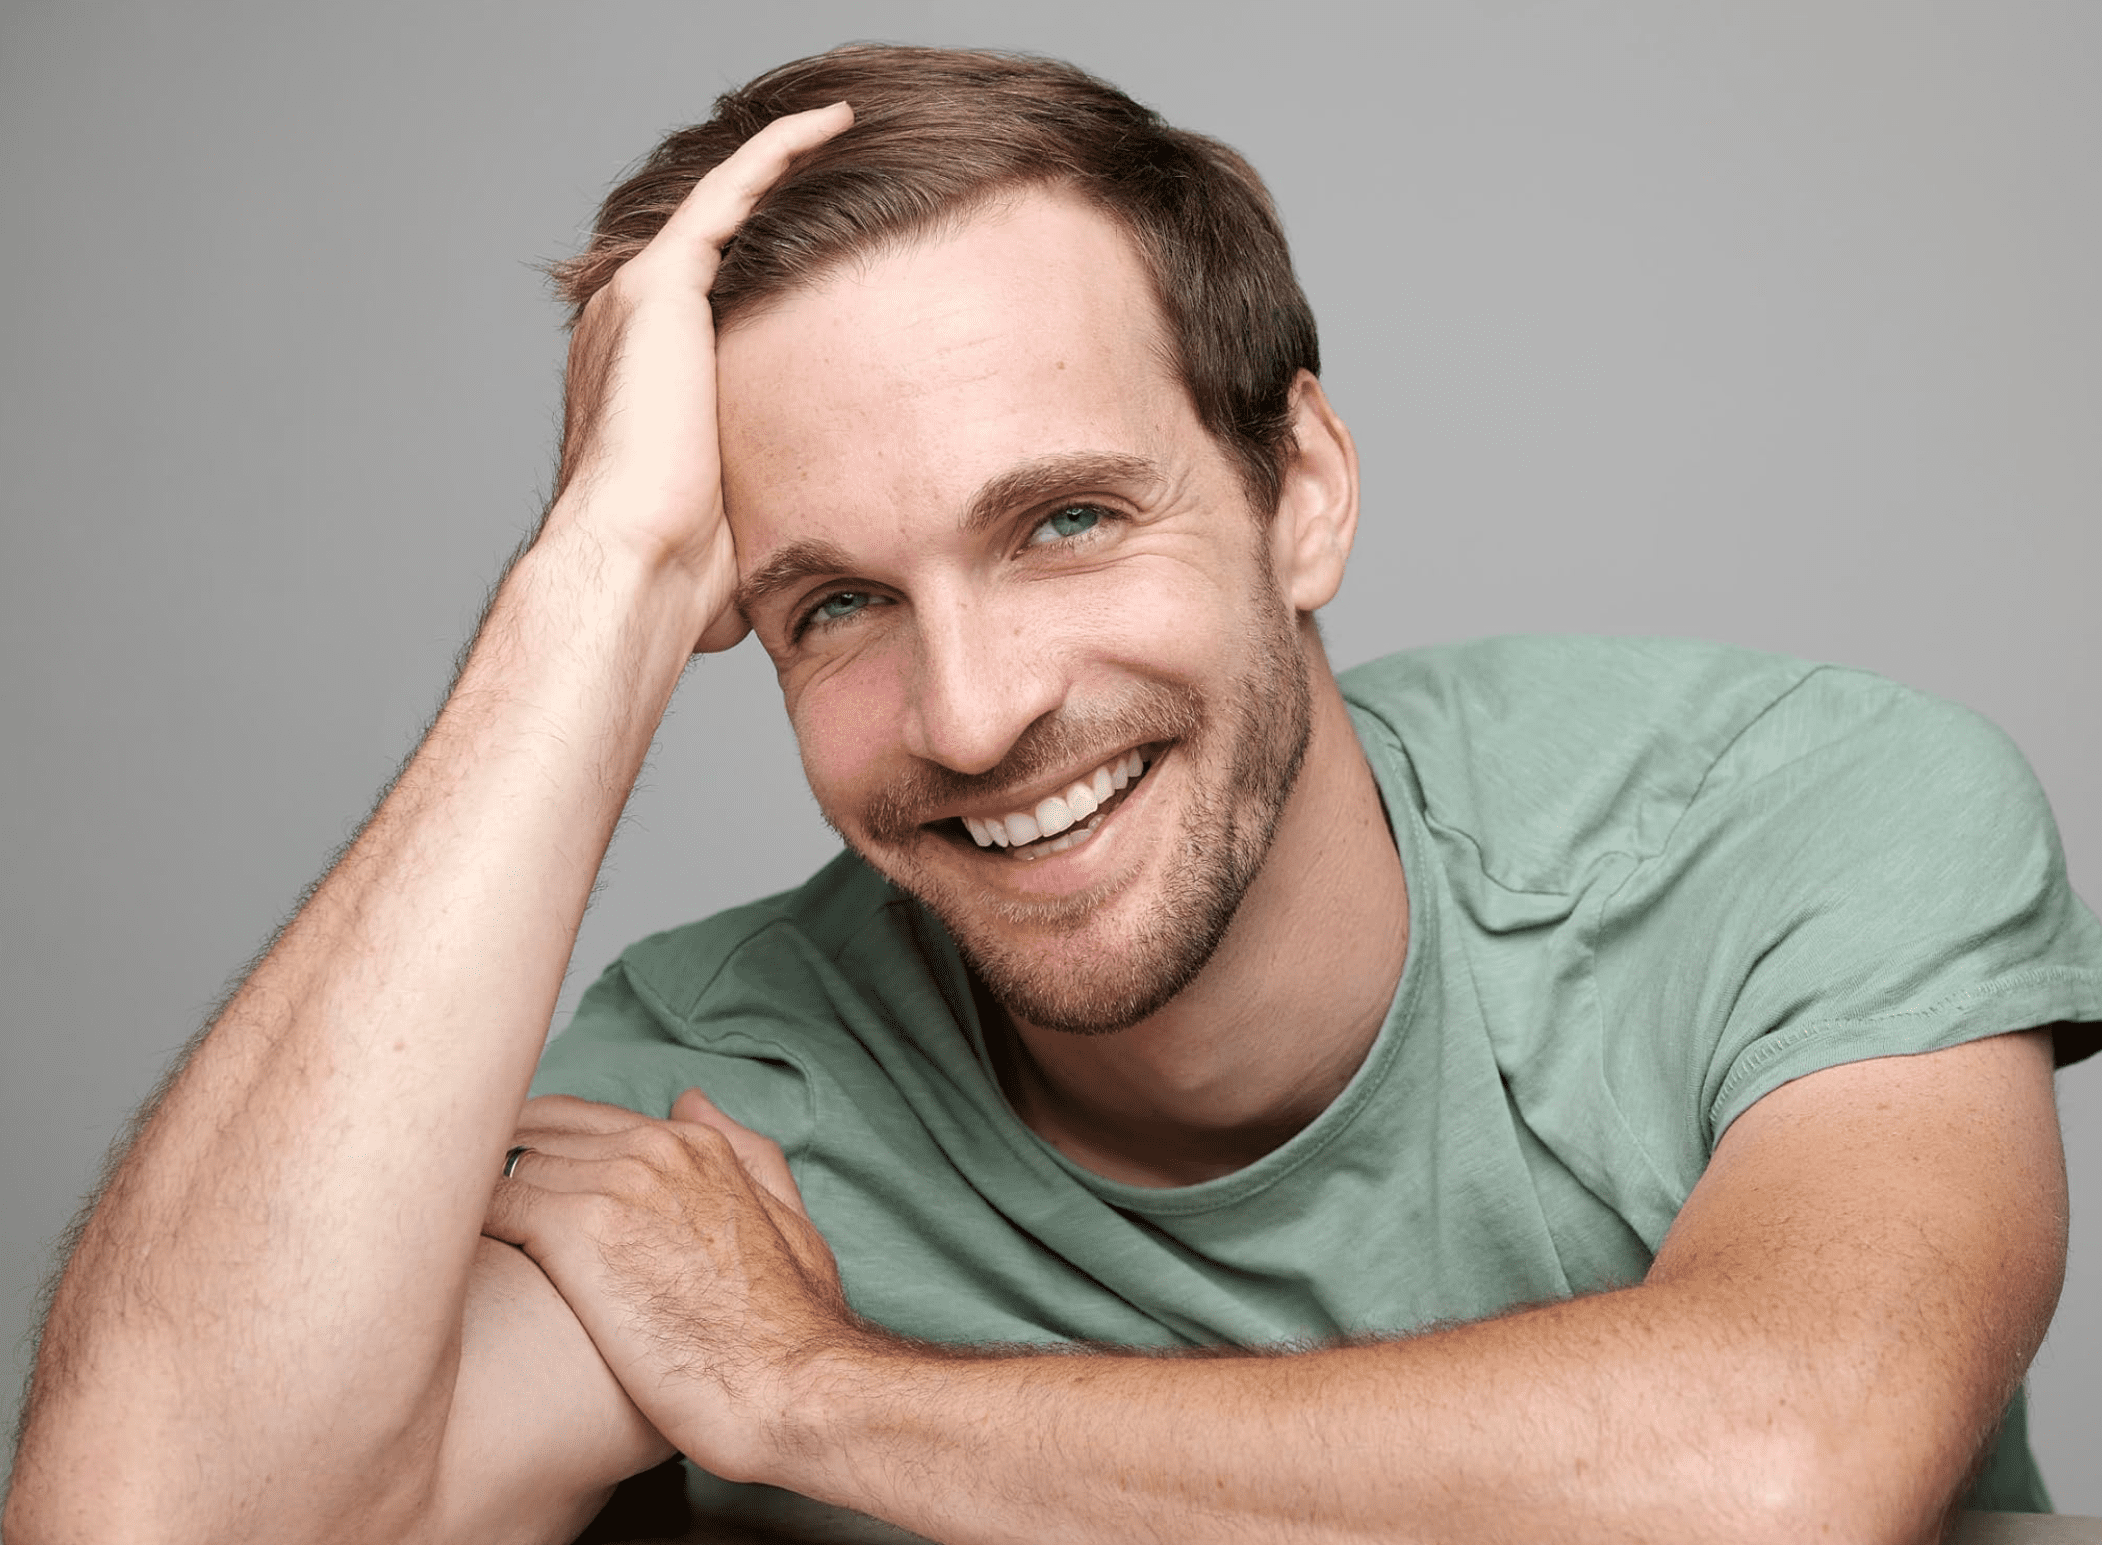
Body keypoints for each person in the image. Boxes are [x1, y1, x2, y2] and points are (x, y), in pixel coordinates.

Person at [9, 44, 2102, 1545]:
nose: (980, 708)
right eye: (829, 602)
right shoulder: (724, 1110)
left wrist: (818, 1400)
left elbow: (1772, 1470)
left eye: (1068, 520)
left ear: (1302, 492)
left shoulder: (1789, 820)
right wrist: (596, 591)